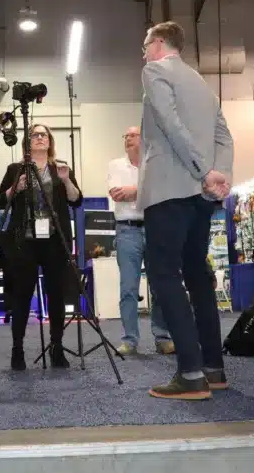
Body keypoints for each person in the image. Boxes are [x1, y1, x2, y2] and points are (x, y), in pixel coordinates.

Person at [139, 21, 234, 400]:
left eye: (144, 46)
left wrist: (201, 169)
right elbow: (224, 137)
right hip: (200, 197)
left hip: (168, 189)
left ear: (158, 43)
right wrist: (219, 176)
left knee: (164, 275)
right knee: (198, 274)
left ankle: (190, 374)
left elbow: (169, 122)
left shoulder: (154, 71)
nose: (143, 53)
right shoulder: (202, 84)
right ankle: (214, 368)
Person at [0, 123, 83, 371]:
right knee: (22, 296)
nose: (40, 138)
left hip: (55, 241)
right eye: (35, 134)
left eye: (44, 134)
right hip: (24, 241)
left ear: (50, 141)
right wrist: (16, 188)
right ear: (28, 141)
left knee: (56, 295)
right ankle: (17, 349)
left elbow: (76, 200)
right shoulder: (15, 168)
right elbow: (1, 201)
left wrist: (66, 181)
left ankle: (57, 347)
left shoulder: (61, 168)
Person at [107, 126, 174, 356]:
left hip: (155, 228)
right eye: (125, 135)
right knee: (128, 288)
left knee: (159, 286)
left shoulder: (154, 163)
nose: (127, 139)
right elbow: (117, 194)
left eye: (133, 135)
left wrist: (134, 191)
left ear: (143, 138)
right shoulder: (115, 165)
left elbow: (161, 190)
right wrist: (144, 191)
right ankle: (130, 340)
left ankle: (162, 337)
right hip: (127, 230)